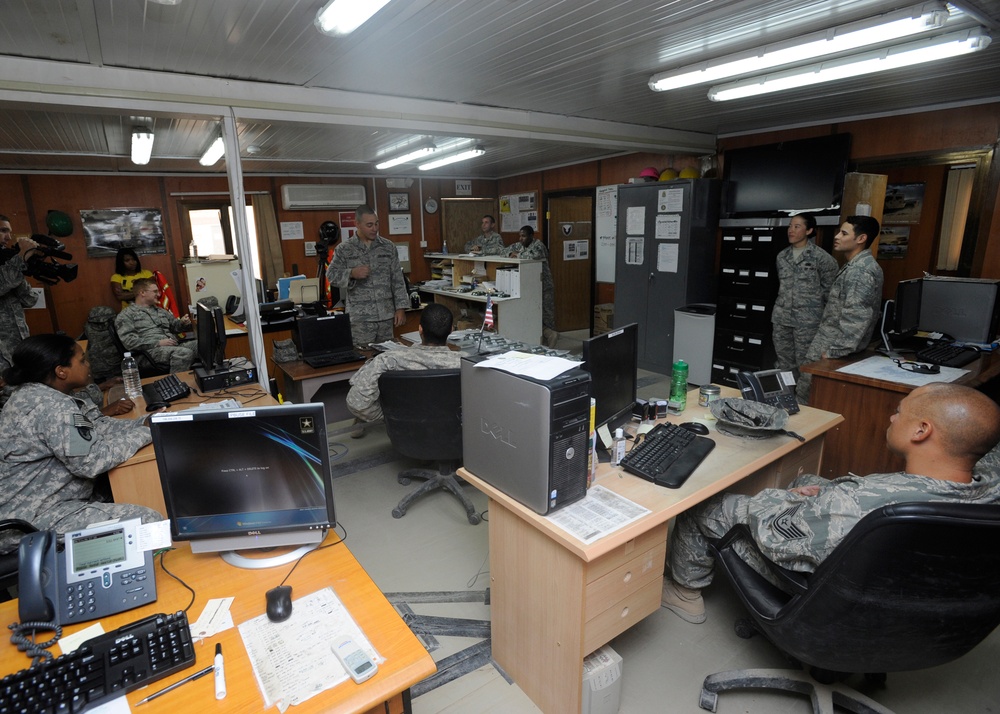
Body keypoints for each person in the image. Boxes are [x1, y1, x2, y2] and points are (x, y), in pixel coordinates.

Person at [660, 382, 1000, 625]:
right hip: (914, 596)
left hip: (831, 594)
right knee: (806, 482)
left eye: (900, 413)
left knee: (703, 502)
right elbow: (848, 502)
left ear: (921, 430)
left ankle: (684, 592)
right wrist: (821, 495)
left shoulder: (853, 504)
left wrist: (779, 500)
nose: (893, 418)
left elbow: (773, 534)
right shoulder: (988, 492)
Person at [0, 334, 161, 554]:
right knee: (148, 524)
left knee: (139, 484)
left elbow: (97, 427)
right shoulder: (52, 407)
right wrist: (145, 432)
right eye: (82, 360)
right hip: (29, 520)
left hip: (49, 499)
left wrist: (145, 423)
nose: (88, 365)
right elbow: (93, 462)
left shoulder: (37, 394)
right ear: (61, 371)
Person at [795, 215, 884, 404]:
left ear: (861, 239)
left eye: (844, 233)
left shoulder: (860, 271)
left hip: (832, 350)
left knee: (809, 400)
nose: (837, 236)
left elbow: (856, 317)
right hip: (831, 345)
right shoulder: (858, 265)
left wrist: (834, 352)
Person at [346, 303, 461, 423]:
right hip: (452, 432)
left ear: (420, 329)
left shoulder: (388, 361)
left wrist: (390, 416)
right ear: (451, 330)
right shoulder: (466, 363)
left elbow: (357, 403)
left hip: (403, 433)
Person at [326, 205, 408, 346]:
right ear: (357, 224)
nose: (374, 228)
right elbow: (331, 275)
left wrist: (401, 308)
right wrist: (351, 273)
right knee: (363, 359)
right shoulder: (344, 249)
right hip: (360, 319)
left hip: (386, 316)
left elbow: (398, 280)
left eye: (376, 224)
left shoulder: (388, 247)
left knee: (387, 358)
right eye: (369, 225)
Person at [771, 213, 838, 372]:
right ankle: (788, 394)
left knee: (806, 363)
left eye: (797, 226)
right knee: (784, 364)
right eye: (789, 226)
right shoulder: (782, 256)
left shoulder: (822, 258)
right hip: (782, 319)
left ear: (809, 230)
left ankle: (802, 397)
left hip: (807, 322)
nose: (791, 230)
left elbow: (831, 294)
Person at [114, 277, 196, 372]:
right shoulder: (126, 315)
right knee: (183, 353)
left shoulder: (160, 311)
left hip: (172, 347)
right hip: (147, 354)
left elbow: (175, 327)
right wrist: (158, 343)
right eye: (155, 291)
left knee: (205, 343)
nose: (159, 294)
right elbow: (130, 342)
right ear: (142, 293)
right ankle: (176, 384)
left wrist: (183, 323)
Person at [0, 215, 38, 376]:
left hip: (18, 348)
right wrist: (19, 259)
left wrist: (18, 266)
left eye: (9, 231)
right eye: (2, 231)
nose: (8, 237)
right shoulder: (11, 268)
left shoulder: (7, 267)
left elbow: (30, 299)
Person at [508, 225, 558, 347]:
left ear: (531, 236)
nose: (521, 239)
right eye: (520, 236)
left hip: (545, 286)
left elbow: (534, 255)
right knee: (534, 313)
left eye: (523, 236)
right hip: (532, 286)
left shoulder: (538, 245)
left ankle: (551, 340)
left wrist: (518, 255)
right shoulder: (520, 245)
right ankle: (542, 340)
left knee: (547, 315)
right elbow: (505, 250)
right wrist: (511, 253)